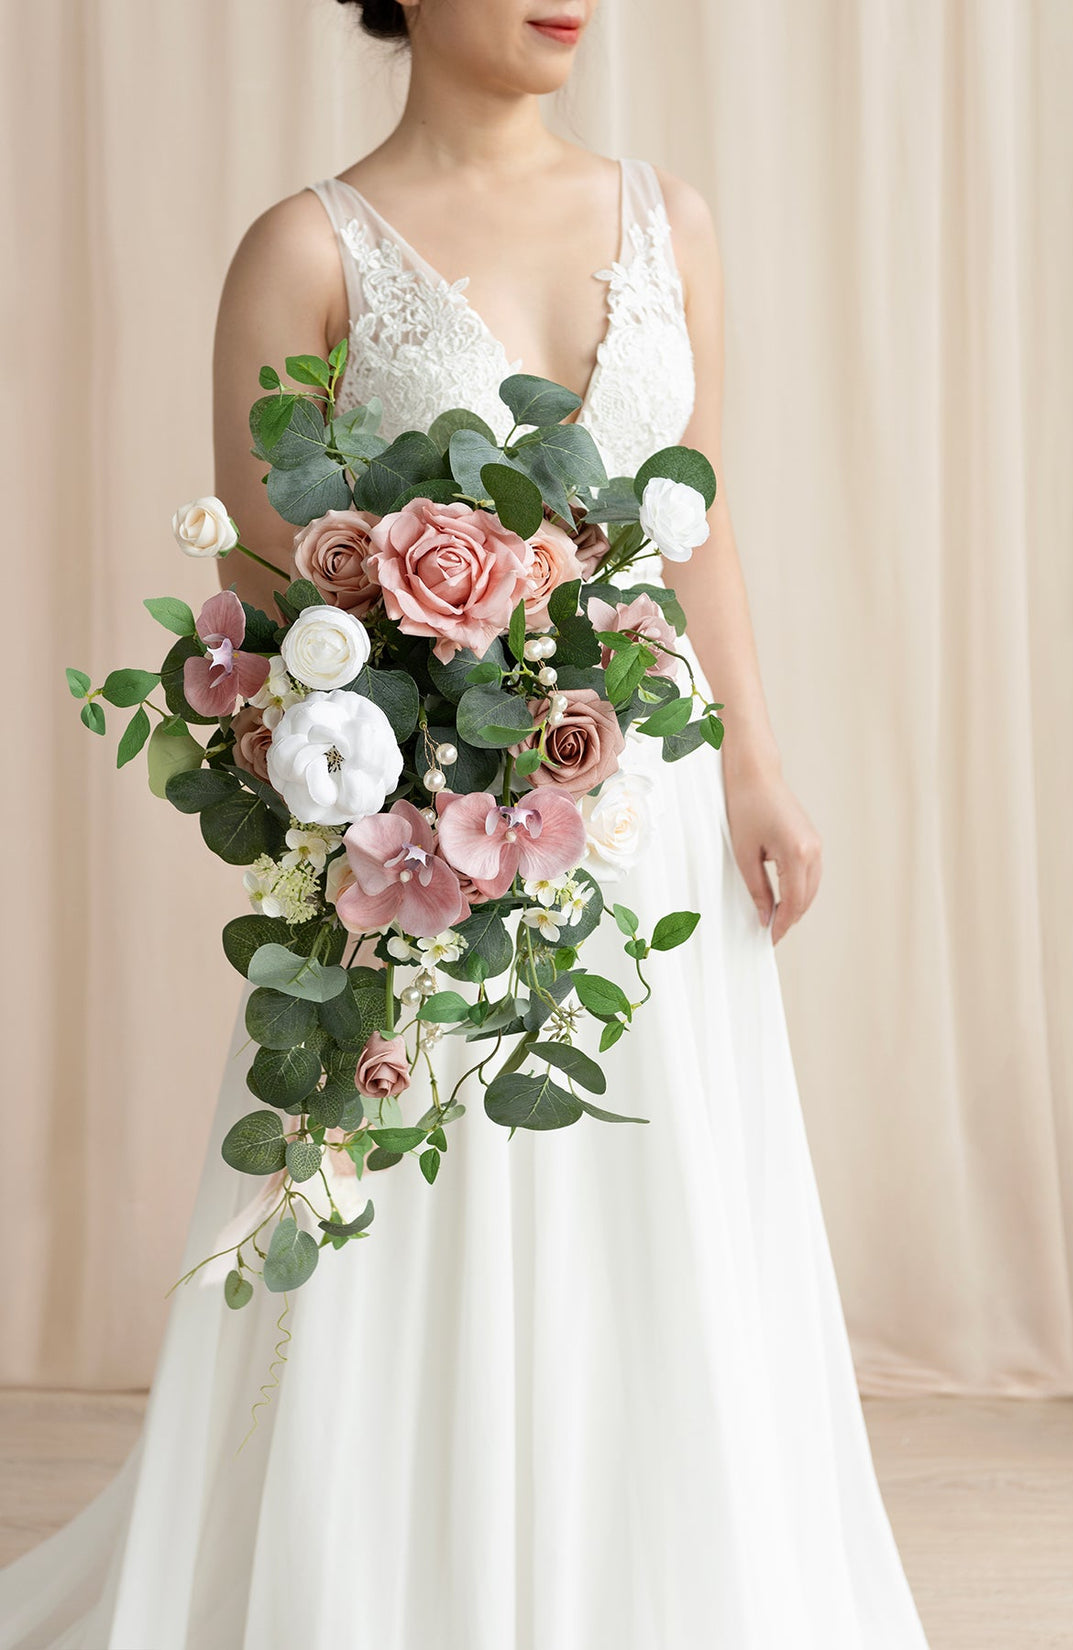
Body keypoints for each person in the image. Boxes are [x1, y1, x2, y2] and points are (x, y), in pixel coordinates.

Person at [0, 1, 931, 1644]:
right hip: (428, 853)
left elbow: (695, 524)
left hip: (653, 815)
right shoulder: (306, 250)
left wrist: (761, 761)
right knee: (430, 1216)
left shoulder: (671, 219)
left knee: (665, 1212)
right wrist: (423, 771)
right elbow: (274, 610)